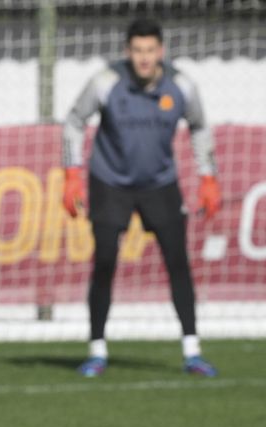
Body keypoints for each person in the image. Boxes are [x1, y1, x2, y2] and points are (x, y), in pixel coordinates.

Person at [62, 18, 220, 378]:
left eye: (150, 50)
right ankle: (97, 351)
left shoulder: (182, 86)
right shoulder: (105, 82)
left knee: (178, 262)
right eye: (137, 51)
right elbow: (73, 121)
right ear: (127, 52)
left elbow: (199, 127)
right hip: (110, 183)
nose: (144, 58)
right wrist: (71, 174)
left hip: (160, 185)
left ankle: (192, 351)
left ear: (161, 51)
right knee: (105, 262)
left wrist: (208, 176)